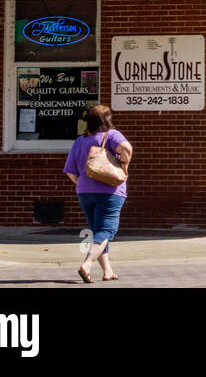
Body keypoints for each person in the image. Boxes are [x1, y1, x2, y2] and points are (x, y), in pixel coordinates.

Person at [63, 104, 133, 283]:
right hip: (109, 191)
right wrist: (123, 162)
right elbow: (126, 150)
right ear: (108, 119)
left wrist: (84, 183)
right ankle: (87, 264)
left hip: (84, 192)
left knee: (97, 233)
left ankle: (107, 271)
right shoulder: (112, 135)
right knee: (107, 230)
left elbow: (70, 172)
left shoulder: (79, 141)